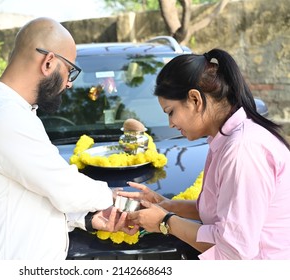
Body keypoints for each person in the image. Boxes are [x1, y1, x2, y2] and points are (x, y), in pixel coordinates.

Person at [0, 17, 128, 260]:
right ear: (48, 62)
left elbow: (34, 191)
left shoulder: (14, 112)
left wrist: (87, 219)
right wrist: (115, 197)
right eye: (70, 71)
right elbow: (64, 187)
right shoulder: (1, 116)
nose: (69, 83)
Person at [118, 48, 290, 260]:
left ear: (195, 99)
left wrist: (165, 222)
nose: (171, 124)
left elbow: (233, 252)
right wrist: (167, 205)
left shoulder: (243, 150)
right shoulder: (226, 140)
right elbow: (220, 212)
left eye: (171, 112)